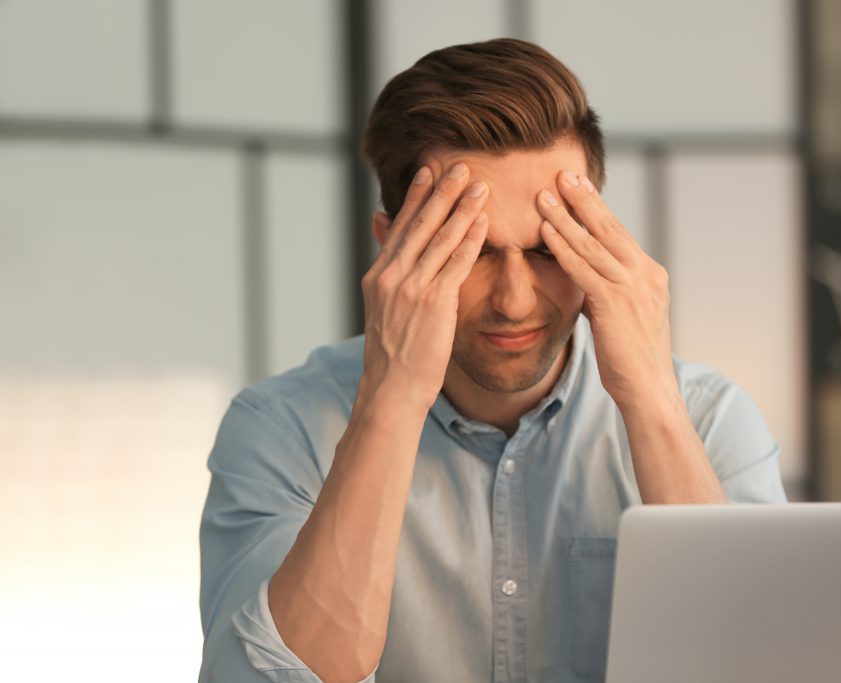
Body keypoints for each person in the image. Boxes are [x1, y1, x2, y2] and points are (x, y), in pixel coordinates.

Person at [199, 38, 786, 683]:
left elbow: (757, 667)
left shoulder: (708, 419)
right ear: (391, 250)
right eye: (472, 252)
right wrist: (392, 397)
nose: (513, 302)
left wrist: (650, 400)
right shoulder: (281, 429)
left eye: (546, 252)